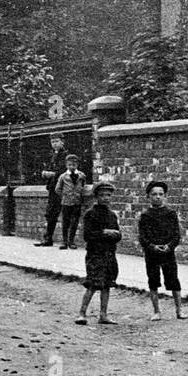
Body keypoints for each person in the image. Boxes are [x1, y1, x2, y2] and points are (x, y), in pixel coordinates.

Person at [76, 178, 121, 325]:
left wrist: (115, 235)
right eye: (102, 195)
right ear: (96, 196)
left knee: (107, 285)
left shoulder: (112, 215)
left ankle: (103, 315)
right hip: (95, 254)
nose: (105, 198)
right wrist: (105, 233)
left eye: (108, 195)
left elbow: (118, 234)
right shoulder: (91, 214)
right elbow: (88, 235)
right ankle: (82, 313)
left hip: (109, 254)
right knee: (93, 284)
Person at [138, 181, 184, 320]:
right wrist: (152, 247)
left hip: (168, 253)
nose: (157, 197)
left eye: (161, 194)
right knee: (153, 281)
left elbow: (176, 235)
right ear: (148, 197)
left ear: (165, 196)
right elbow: (142, 237)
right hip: (152, 254)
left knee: (173, 280)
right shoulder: (145, 215)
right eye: (154, 194)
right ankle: (156, 311)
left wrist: (169, 246)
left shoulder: (170, 214)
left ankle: (179, 310)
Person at [34, 133, 68, 247]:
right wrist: (45, 173)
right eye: (52, 142)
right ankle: (48, 238)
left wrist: (51, 174)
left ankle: (65, 241)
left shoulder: (65, 155)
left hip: (62, 188)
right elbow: (46, 168)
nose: (54, 144)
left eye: (57, 141)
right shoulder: (52, 155)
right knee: (50, 213)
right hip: (52, 187)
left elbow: (64, 171)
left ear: (62, 142)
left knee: (63, 213)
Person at [55, 154, 87, 249]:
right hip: (66, 202)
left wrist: (78, 194)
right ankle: (64, 242)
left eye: (74, 165)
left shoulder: (81, 175)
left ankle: (71, 241)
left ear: (77, 165)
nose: (72, 167)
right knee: (66, 222)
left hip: (77, 202)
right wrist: (65, 195)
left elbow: (83, 186)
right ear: (66, 165)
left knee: (75, 222)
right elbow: (57, 189)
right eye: (69, 165)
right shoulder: (63, 176)